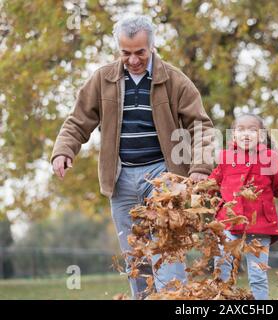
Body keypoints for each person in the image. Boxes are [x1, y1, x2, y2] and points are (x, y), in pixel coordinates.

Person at [51, 15, 215, 299]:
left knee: (168, 248)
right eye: (126, 53)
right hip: (122, 178)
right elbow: (77, 121)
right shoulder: (103, 79)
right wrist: (64, 150)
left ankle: (173, 300)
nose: (134, 59)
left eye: (140, 52)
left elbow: (201, 126)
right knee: (135, 257)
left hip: (164, 176)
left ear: (151, 47)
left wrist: (200, 167)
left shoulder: (174, 80)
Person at [209, 113, 278, 299]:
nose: (246, 134)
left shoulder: (269, 157)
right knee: (221, 270)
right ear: (234, 135)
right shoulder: (226, 158)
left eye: (252, 130)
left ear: (262, 135)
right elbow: (213, 183)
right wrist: (197, 189)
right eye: (241, 130)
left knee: (258, 275)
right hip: (228, 224)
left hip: (259, 225)